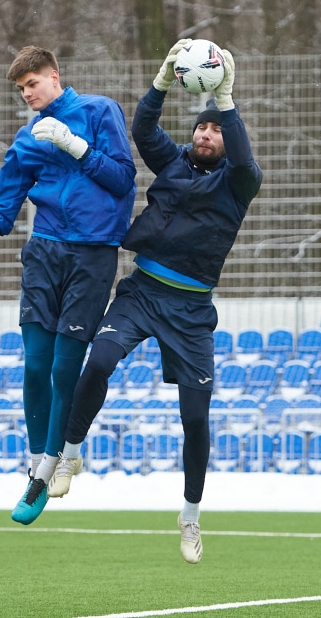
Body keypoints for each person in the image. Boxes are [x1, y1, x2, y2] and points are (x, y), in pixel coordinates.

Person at [47, 39, 262, 563]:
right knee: (98, 361)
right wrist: (162, 80)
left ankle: (190, 518)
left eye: (216, 129)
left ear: (227, 140)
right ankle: (71, 454)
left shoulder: (241, 182)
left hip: (190, 312)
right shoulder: (174, 164)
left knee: (195, 419)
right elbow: (142, 130)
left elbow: (245, 155)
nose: (207, 134)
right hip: (142, 291)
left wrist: (227, 98)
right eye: (202, 127)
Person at [0, 45, 136, 525]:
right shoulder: (26, 139)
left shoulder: (99, 111)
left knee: (63, 368)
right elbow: (1, 214)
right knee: (35, 367)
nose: (27, 94)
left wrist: (75, 147)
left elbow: (123, 180)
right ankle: (38, 464)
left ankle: (48, 472)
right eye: (21, 89)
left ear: (55, 76)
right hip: (44, 254)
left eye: (32, 83)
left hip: (93, 256)